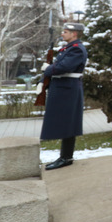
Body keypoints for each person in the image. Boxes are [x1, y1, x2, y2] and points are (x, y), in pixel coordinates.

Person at [40, 22, 88, 170]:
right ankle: (65, 156)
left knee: (68, 123)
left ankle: (66, 157)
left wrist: (48, 69)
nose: (62, 34)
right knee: (66, 122)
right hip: (62, 87)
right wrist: (43, 82)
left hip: (68, 89)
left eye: (65, 31)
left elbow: (63, 67)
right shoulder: (67, 49)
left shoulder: (77, 49)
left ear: (74, 34)